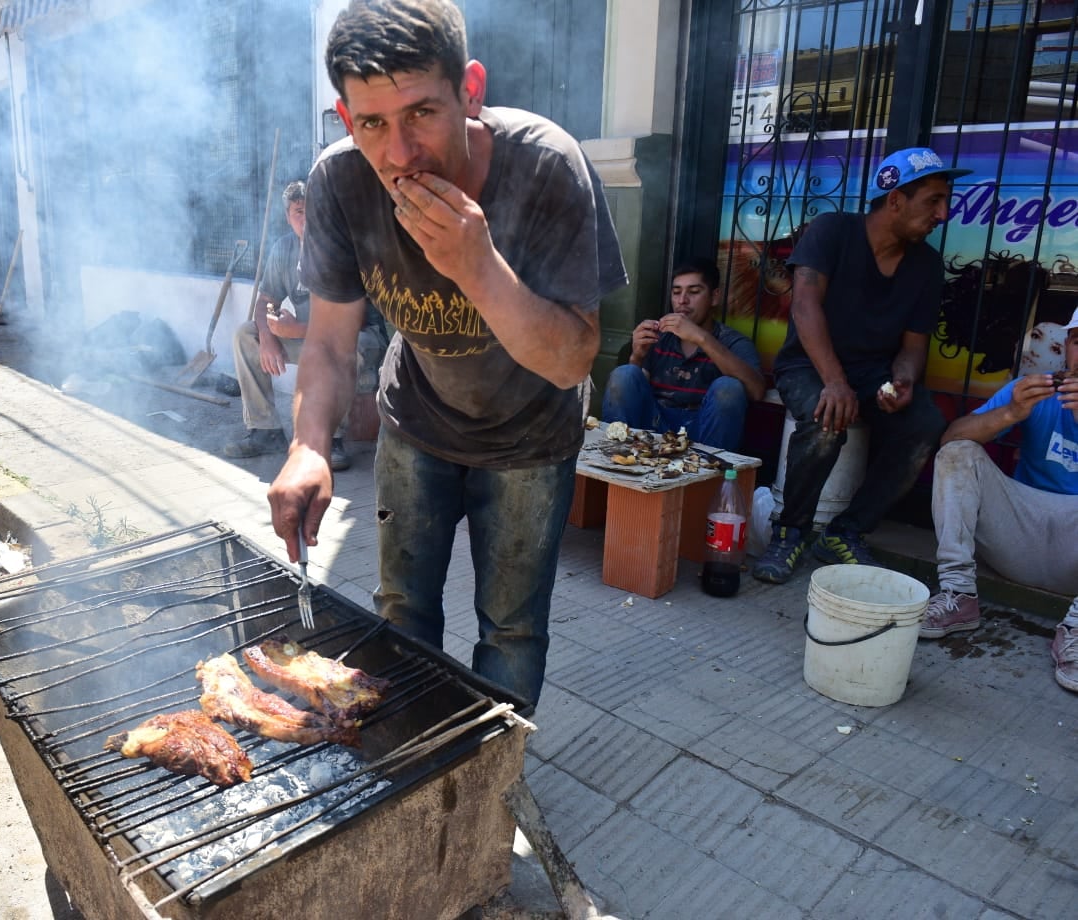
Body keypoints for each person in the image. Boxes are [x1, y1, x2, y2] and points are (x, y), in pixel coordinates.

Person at [266, 0, 626, 706]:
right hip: (417, 425)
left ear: (470, 90)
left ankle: (492, 787)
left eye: (422, 114)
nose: (399, 153)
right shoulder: (339, 182)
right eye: (372, 123)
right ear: (346, 119)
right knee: (402, 612)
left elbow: (571, 360)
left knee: (512, 632)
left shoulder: (548, 165)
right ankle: (418, 768)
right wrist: (308, 445)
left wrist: (479, 266)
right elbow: (332, 343)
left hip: (531, 437)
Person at [751, 147, 968, 584]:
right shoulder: (833, 231)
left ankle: (846, 531)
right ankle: (790, 531)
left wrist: (904, 379)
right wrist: (834, 381)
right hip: (810, 365)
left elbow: (914, 343)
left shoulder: (926, 264)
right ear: (894, 201)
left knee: (924, 423)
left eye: (945, 202)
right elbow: (805, 307)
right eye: (933, 201)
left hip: (875, 374)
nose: (942, 214)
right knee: (825, 417)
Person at [919, 309, 1078, 692]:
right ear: (1067, 346)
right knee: (958, 453)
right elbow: (951, 439)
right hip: (1018, 536)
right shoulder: (1038, 389)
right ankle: (958, 593)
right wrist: (1010, 411)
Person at [223, 180, 387, 470]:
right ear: (288, 217)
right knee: (245, 336)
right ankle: (265, 431)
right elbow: (265, 301)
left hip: (357, 337)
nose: (307, 219)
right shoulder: (284, 248)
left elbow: (353, 319)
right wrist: (268, 334)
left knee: (350, 345)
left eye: (314, 211)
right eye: (299, 211)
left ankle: (331, 439)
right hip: (311, 337)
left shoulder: (343, 248)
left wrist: (295, 330)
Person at [600, 257, 766, 451]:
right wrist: (637, 356)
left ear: (714, 297)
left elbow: (756, 391)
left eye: (694, 292)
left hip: (704, 437)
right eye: (676, 292)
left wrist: (702, 338)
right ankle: (617, 461)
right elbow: (631, 391)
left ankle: (712, 476)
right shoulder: (659, 337)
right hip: (655, 430)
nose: (682, 301)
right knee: (624, 374)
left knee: (728, 387)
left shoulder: (733, 342)